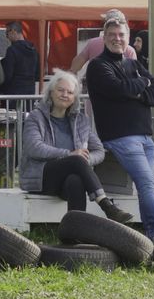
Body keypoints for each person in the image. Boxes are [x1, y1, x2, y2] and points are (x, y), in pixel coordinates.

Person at [84, 12, 154, 243]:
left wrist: (137, 93)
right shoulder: (98, 66)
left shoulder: (133, 64)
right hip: (121, 137)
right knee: (146, 184)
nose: (117, 39)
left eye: (121, 35)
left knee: (146, 187)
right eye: (112, 35)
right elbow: (118, 89)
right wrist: (141, 84)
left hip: (145, 137)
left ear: (128, 37)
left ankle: (152, 235)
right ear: (104, 38)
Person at [20, 70, 131, 220]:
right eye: (60, 90)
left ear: (74, 98)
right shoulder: (36, 117)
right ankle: (106, 204)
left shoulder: (80, 121)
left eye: (70, 92)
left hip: (65, 180)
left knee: (76, 181)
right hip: (41, 178)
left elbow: (99, 151)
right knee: (76, 160)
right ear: (51, 92)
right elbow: (34, 148)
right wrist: (70, 155)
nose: (65, 95)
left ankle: (76, 228)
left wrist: (84, 160)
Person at [1, 21, 40, 98]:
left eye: (7, 33)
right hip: (30, 91)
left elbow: (8, 74)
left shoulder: (12, 50)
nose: (6, 37)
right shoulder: (34, 50)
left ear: (13, 31)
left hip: (14, 91)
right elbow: (38, 74)